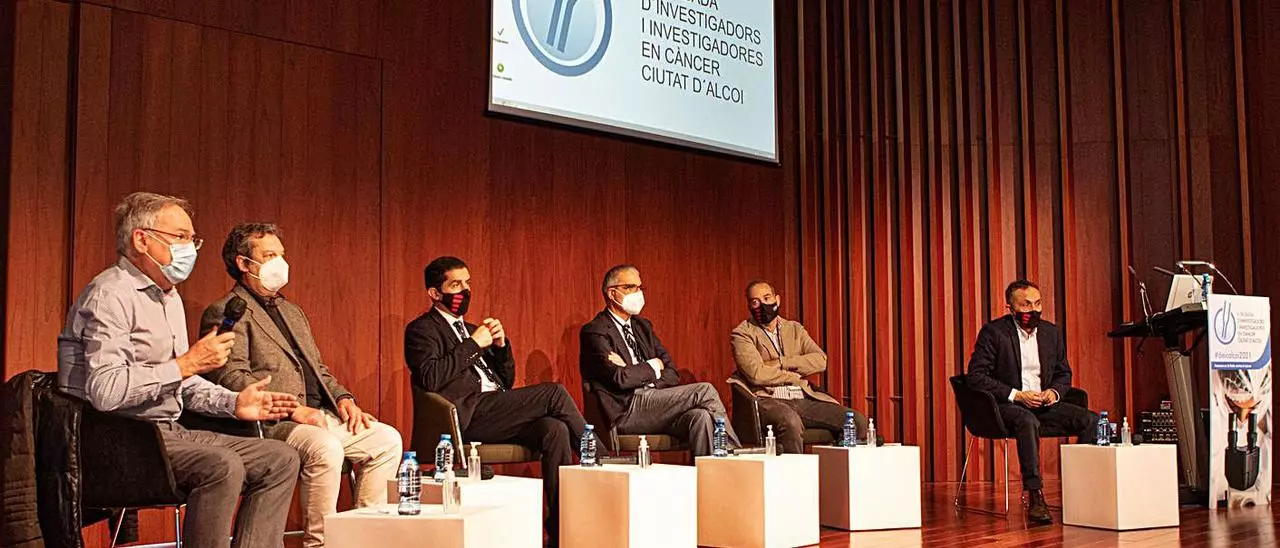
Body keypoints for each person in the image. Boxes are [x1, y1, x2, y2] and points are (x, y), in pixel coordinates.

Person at [57, 192, 300, 548]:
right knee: (222, 465)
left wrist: (234, 403)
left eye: (193, 239)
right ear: (142, 239)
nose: (191, 248)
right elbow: (105, 391)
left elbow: (180, 381)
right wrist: (186, 364)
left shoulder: (167, 296)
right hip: (118, 439)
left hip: (169, 431)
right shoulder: (110, 295)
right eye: (181, 237)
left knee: (279, 458)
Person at [201, 223, 403, 548]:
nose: (280, 263)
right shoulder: (227, 311)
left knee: (386, 440)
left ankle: (364, 539)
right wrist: (293, 410)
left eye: (281, 254)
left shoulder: (291, 310)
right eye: (269, 255)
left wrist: (344, 399)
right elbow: (230, 377)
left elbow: (318, 369)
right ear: (243, 263)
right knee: (326, 447)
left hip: (320, 415)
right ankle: (320, 544)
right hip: (273, 423)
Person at [404, 256, 585, 546]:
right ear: (435, 293)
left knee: (555, 429)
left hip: (495, 409)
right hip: (466, 416)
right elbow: (431, 378)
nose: (465, 291)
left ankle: (560, 531)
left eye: (467, 283)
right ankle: (601, 459)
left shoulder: (471, 328)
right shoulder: (421, 330)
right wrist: (474, 344)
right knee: (554, 392)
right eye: (455, 285)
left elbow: (505, 381)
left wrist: (500, 347)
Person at [966, 279, 1098, 525]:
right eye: (1026, 305)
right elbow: (976, 376)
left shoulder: (1051, 333)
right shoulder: (994, 332)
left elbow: (1063, 374)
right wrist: (1017, 395)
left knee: (1090, 420)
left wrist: (1054, 393)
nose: (1033, 310)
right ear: (1010, 307)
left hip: (1043, 404)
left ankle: (1081, 492)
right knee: (1026, 420)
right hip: (1007, 406)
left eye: (1038, 304)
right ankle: (1035, 495)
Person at [580, 264, 740, 456]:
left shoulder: (643, 327)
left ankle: (709, 473)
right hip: (627, 408)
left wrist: (640, 374)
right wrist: (654, 365)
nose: (638, 293)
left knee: (701, 416)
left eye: (640, 287)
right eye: (630, 287)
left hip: (657, 400)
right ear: (612, 293)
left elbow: (672, 373)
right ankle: (734, 456)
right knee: (705, 390)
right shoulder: (595, 331)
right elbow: (620, 379)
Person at [729, 279, 867, 453]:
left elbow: (820, 360)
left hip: (802, 397)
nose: (762, 305)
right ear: (749, 306)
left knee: (856, 421)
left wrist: (783, 362)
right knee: (791, 422)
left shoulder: (794, 328)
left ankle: (833, 468)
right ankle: (794, 471)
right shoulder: (742, 333)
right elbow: (757, 374)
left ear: (777, 300)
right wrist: (793, 376)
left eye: (767, 298)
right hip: (768, 399)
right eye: (755, 302)